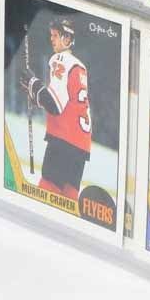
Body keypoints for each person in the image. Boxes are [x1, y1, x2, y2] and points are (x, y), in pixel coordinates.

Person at [19, 17, 91, 199]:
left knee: (47, 195)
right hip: (81, 145)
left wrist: (33, 83)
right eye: (51, 35)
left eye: (56, 35)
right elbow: (67, 104)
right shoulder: (80, 66)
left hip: (63, 140)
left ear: (67, 39)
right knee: (68, 200)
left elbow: (54, 105)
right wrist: (35, 94)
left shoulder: (60, 59)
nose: (51, 39)